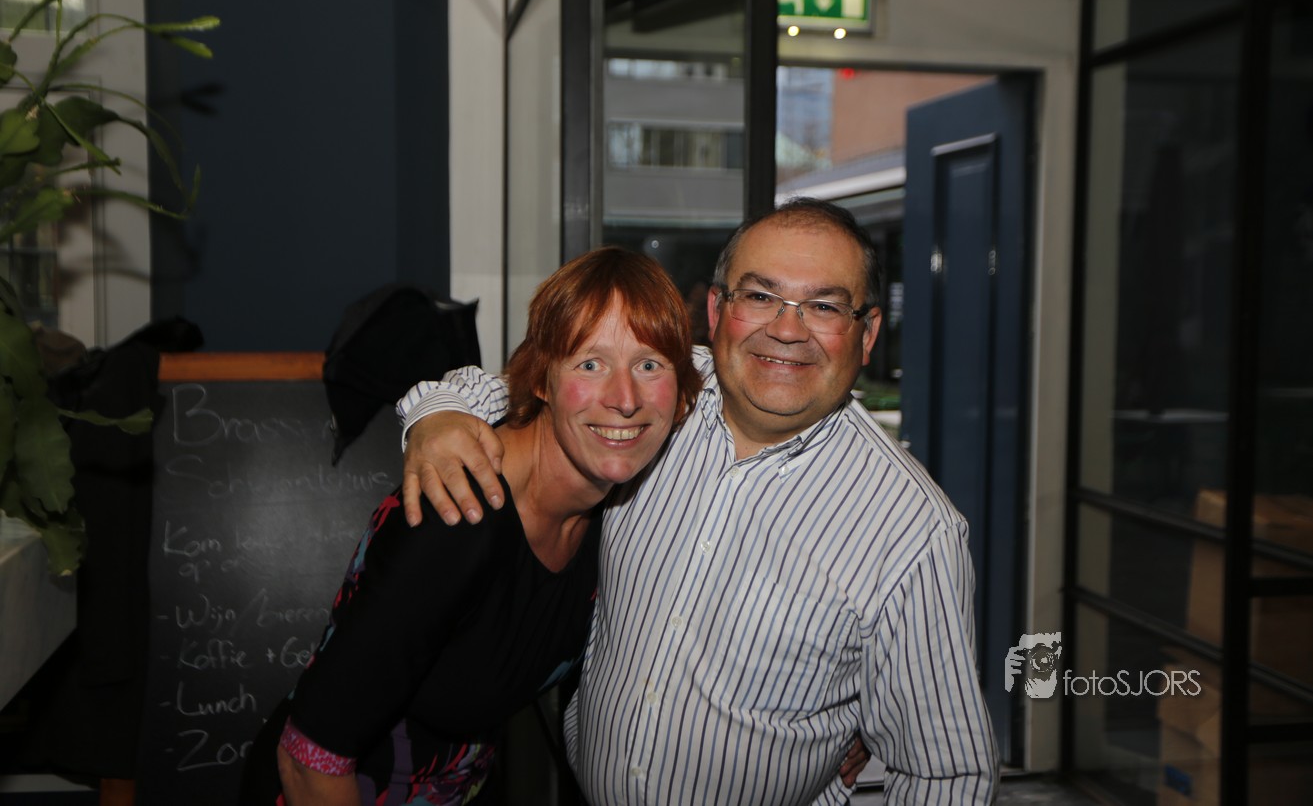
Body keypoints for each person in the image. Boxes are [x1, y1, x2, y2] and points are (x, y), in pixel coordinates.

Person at [398, 197, 999, 804]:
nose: (787, 329)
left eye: (824, 306)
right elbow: (526, 384)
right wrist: (436, 417)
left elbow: (945, 774)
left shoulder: (914, 532)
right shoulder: (653, 395)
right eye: (760, 296)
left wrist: (872, 713)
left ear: (866, 334)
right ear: (716, 311)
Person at [240, 246, 701, 806]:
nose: (625, 399)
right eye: (590, 363)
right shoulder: (461, 514)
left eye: (649, 365)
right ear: (541, 380)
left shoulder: (612, 508)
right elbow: (309, 761)